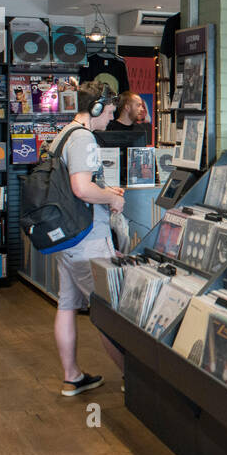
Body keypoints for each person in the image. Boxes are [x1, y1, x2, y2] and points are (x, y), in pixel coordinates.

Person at [49, 81, 127, 396]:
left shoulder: (63, 134)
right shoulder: (83, 138)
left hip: (66, 237)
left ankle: (72, 376)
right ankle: (132, 376)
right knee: (108, 308)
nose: (110, 119)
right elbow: (81, 188)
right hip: (87, 238)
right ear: (95, 108)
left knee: (67, 304)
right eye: (109, 112)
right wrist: (110, 197)